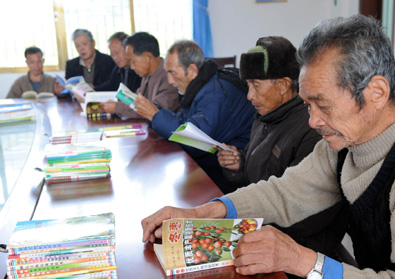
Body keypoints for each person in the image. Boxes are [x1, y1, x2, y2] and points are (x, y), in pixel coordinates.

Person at [141, 14, 395, 279]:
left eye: (323, 105)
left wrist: (302, 261)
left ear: (377, 92)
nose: (313, 120)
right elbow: (285, 192)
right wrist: (200, 213)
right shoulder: (345, 143)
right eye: (307, 105)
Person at [217, 36, 345, 256]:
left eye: (256, 86)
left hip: (299, 245)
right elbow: (255, 176)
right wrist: (238, 165)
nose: (249, 96)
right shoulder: (263, 117)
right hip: (262, 224)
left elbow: (304, 213)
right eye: (248, 86)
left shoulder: (312, 128)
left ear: (284, 84)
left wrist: (246, 228)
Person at [134, 40, 256, 194]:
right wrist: (154, 113)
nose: (170, 81)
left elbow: (195, 140)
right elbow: (184, 122)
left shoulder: (215, 95)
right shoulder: (200, 86)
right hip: (212, 165)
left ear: (191, 70)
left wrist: (155, 115)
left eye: (172, 73)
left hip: (231, 175)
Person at [99, 32, 179, 118]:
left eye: (133, 62)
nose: (132, 67)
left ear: (147, 57)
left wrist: (117, 107)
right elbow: (136, 100)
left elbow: (152, 111)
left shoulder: (170, 77)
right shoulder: (147, 74)